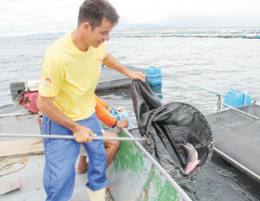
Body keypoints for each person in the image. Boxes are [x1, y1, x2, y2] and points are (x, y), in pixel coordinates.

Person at [37, 0, 145, 200]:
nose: (107, 38)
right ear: (85, 27)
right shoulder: (56, 57)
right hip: (59, 119)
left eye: (109, 33)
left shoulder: (96, 46)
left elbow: (105, 57)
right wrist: (75, 128)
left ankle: (96, 195)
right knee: (61, 177)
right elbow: (43, 104)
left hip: (87, 114)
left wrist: (126, 71)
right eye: (103, 33)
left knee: (98, 160)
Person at [77, 95, 128, 173]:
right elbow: (92, 102)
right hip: (72, 130)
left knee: (89, 125)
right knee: (114, 141)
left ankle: (82, 166)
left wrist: (107, 107)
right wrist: (115, 123)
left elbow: (90, 95)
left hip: (71, 124)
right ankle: (97, 177)